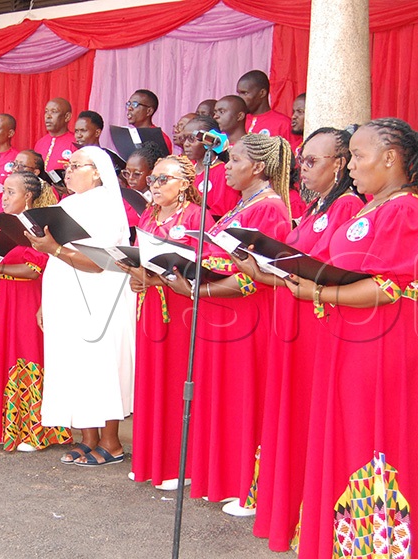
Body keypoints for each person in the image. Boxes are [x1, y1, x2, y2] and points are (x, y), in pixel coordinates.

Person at [288, 118, 418, 558]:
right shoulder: (371, 206)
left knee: (372, 439)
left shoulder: (405, 209)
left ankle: (376, 546)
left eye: (358, 156)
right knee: (346, 436)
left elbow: (390, 287)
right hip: (349, 340)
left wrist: (319, 291)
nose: (351, 167)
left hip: (382, 346)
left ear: (390, 158)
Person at [234, 127, 363, 550]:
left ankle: (312, 516)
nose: (302, 169)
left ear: (339, 165)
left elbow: (333, 268)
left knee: (308, 416)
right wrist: (252, 260)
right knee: (292, 415)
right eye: (302, 161)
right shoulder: (314, 207)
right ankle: (287, 509)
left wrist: (281, 268)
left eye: (312, 162)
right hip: (293, 318)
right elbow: (290, 268)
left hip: (316, 323)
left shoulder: (346, 207)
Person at [162, 134, 291, 514]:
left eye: (234, 161)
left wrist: (200, 289)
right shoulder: (242, 205)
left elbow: (257, 274)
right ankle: (218, 476)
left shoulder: (268, 209)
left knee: (243, 397)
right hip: (221, 314)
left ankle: (247, 486)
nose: (226, 168)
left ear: (259, 168)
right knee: (219, 395)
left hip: (246, 317)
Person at [26, 146, 137, 467]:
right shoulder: (68, 203)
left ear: (98, 172)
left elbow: (99, 262)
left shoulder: (107, 206)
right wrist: (47, 302)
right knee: (73, 365)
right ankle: (87, 439)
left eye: (76, 166)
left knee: (100, 366)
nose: (68, 172)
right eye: (67, 166)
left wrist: (54, 248)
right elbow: (53, 258)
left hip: (98, 298)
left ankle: (111, 442)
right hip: (67, 297)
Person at [120, 154, 211, 490]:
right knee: (151, 380)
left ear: (185, 185)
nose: (154, 186)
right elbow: (137, 258)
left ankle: (178, 464)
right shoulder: (150, 214)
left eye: (163, 180)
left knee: (175, 382)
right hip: (151, 307)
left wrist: (156, 278)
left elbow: (200, 266)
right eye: (154, 179)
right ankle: (149, 459)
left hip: (181, 310)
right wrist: (134, 274)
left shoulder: (197, 216)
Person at [0, 171, 71, 451]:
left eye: (10, 192)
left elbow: (34, 269)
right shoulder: (6, 226)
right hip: (1, 301)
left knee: (27, 356)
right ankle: (8, 427)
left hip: (26, 302)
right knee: (3, 357)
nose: (4, 198)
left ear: (28, 196)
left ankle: (35, 431)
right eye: (3, 192)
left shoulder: (38, 226)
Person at [181, 115, 240, 216]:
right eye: (184, 138)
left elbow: (222, 214)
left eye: (192, 139)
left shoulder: (223, 172)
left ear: (208, 140)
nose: (186, 144)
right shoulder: (185, 168)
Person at [237, 70, 293, 142]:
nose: (240, 98)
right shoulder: (237, 121)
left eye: (245, 93)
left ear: (262, 93)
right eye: (239, 93)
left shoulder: (284, 124)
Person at [122, 144, 166, 227]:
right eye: (126, 173)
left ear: (151, 173)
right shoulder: (123, 196)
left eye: (137, 174)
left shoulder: (160, 197)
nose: (130, 178)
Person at [125, 89, 173, 153]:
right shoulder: (129, 135)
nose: (129, 108)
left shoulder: (160, 139)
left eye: (134, 104)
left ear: (149, 111)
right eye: (128, 104)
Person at [34, 98, 75, 171]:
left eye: (54, 111)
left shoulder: (75, 142)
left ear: (67, 117)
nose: (48, 116)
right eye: (46, 111)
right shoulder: (40, 143)